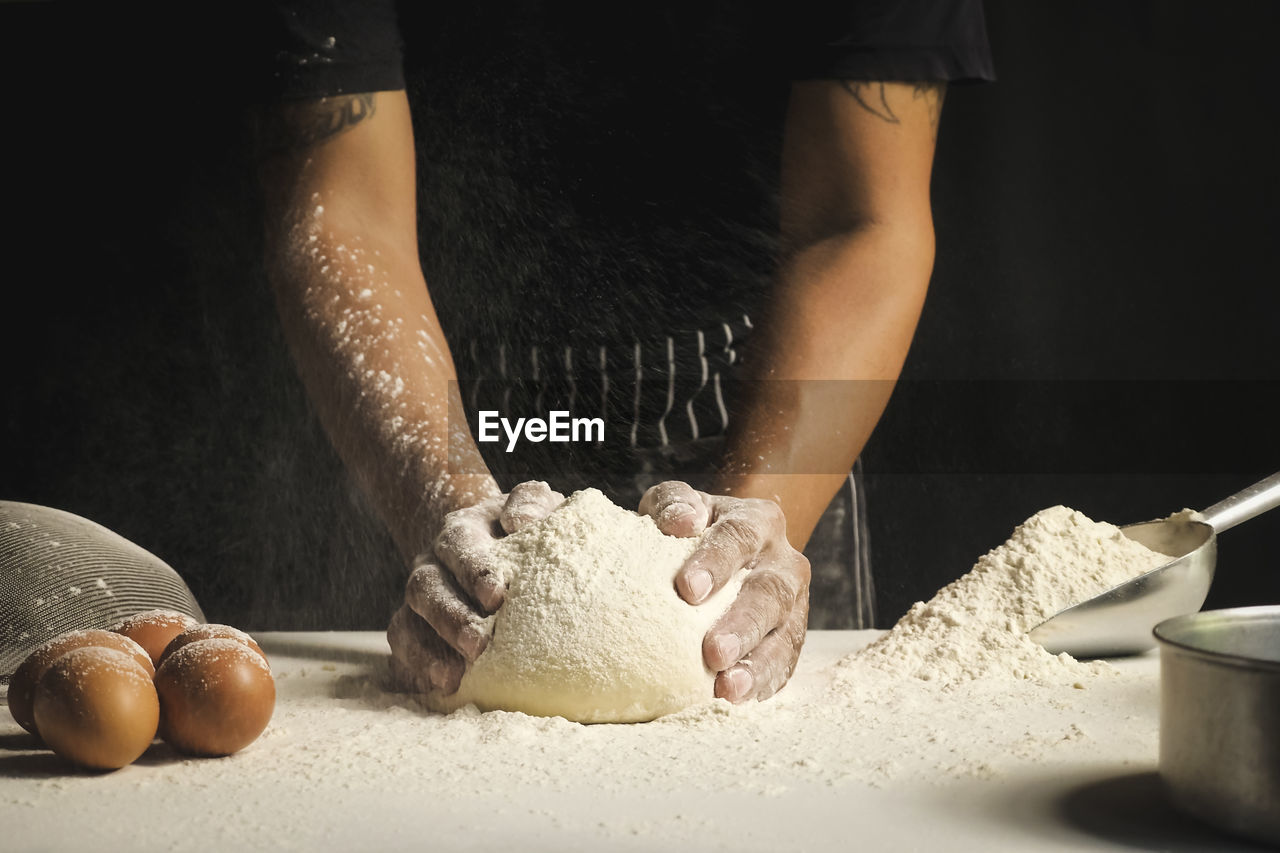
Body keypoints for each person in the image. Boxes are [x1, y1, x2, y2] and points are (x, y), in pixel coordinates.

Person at [254, 3, 994, 704]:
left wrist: (750, 533)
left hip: (762, 393)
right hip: (433, 397)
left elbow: (861, 219)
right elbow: (344, 212)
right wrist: (442, 501)